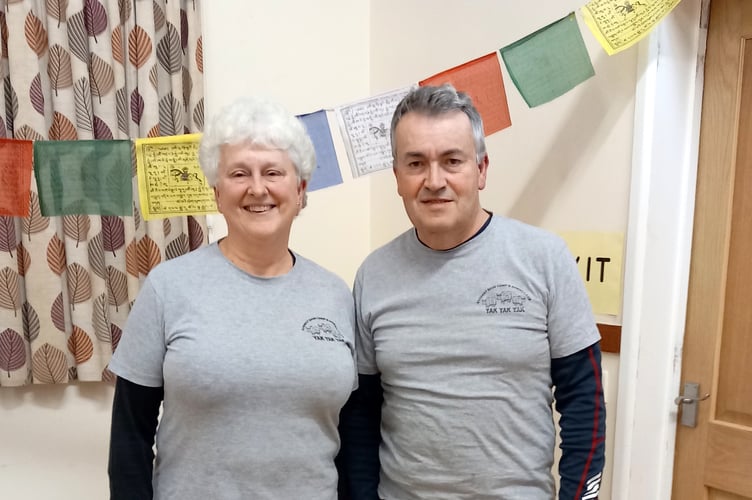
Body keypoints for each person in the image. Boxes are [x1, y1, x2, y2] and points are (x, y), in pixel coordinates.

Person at [338, 84, 605, 499]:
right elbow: (361, 415)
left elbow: (583, 403)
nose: (434, 180)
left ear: (480, 169)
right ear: (397, 177)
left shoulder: (544, 258)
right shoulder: (373, 275)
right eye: (415, 163)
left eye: (452, 161)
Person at [108, 96, 357, 500]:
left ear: (301, 189)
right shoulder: (168, 287)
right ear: (217, 193)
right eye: (239, 173)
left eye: (273, 172)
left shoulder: (335, 294)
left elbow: (352, 432)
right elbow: (129, 436)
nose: (257, 188)